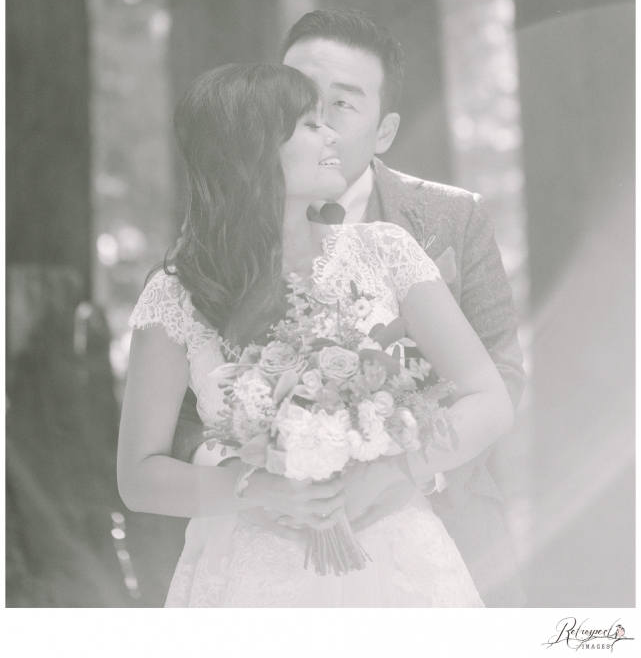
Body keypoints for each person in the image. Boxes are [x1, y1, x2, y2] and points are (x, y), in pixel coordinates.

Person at [117, 61, 515, 607]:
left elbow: (490, 399)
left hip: (397, 563)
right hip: (248, 576)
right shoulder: (176, 293)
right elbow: (138, 478)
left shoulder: (385, 251)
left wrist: (385, 473)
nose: (331, 135)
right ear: (254, 153)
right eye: (309, 124)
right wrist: (263, 489)